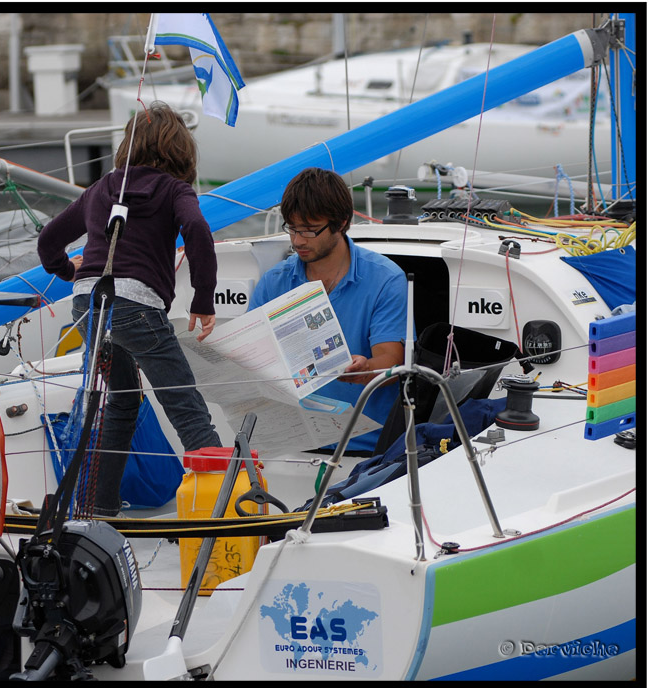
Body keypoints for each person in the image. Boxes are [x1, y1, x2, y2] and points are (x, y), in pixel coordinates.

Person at [37, 102, 222, 517]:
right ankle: (218, 513)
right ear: (181, 153)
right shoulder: (176, 190)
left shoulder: (102, 188)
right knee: (185, 407)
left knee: (122, 400)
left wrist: (67, 271)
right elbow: (196, 229)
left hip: (88, 307)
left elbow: (49, 239)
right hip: (136, 307)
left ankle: (98, 509)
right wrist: (203, 298)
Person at [247, 167, 409, 454]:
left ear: (341, 223)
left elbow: (392, 363)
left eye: (309, 230)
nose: (297, 241)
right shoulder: (274, 281)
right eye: (292, 228)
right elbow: (248, 358)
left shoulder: (386, 279)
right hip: (290, 443)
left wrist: (366, 368)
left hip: (364, 447)